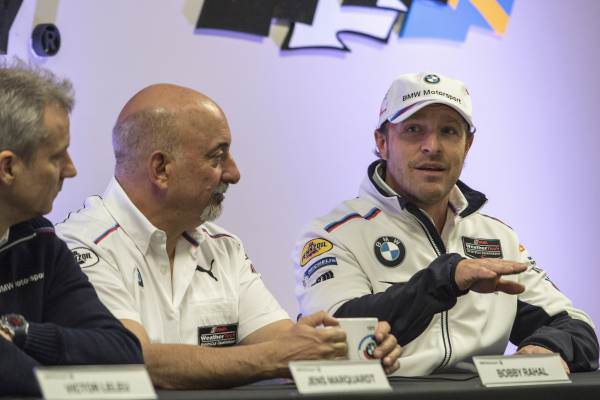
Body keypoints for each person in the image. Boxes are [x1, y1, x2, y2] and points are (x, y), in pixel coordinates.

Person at [56, 83, 401, 389]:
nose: (234, 173)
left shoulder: (223, 247)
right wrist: (280, 356)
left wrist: (353, 348)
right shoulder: (78, 247)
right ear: (161, 169)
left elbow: (281, 340)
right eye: (217, 157)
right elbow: (135, 360)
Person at [292, 72, 599, 376]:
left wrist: (546, 347)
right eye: (414, 129)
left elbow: (576, 326)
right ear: (382, 142)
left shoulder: (496, 236)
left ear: (467, 145)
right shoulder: (332, 235)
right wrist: (445, 279)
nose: (433, 146)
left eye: (449, 131)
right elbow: (332, 337)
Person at [0, 62, 143, 396]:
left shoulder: (40, 241)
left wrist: (21, 332)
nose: (71, 169)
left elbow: (123, 354)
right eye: (56, 156)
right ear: (8, 167)